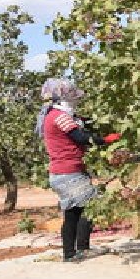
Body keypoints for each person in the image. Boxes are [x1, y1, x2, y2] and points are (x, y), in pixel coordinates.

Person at [35, 78, 120, 262]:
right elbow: (80, 137)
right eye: (72, 96)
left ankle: (72, 252)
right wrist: (105, 141)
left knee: (76, 211)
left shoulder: (57, 115)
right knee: (85, 209)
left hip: (64, 171)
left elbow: (82, 124)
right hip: (68, 172)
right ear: (62, 97)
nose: (76, 99)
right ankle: (78, 250)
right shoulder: (59, 117)